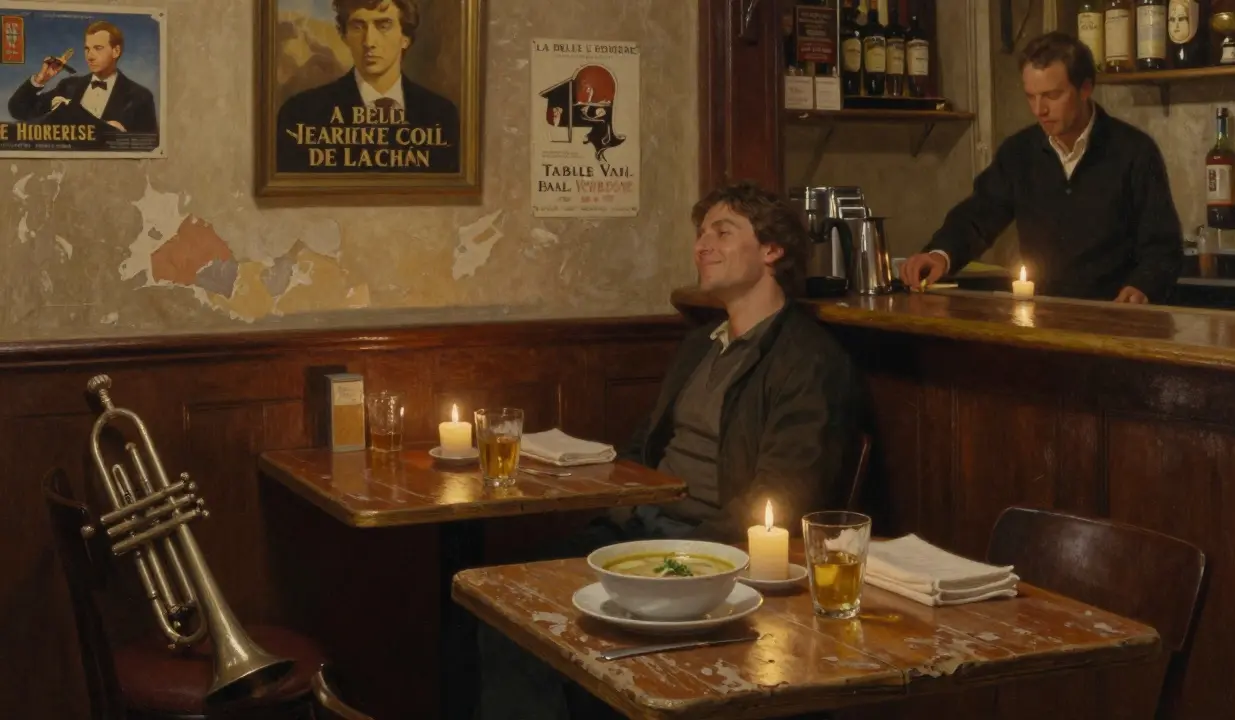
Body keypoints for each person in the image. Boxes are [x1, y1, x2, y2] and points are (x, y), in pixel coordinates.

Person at [473, 180, 863, 720]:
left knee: (559, 637)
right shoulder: (701, 344)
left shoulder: (808, 360)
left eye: (722, 233)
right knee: (504, 600)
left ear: (772, 250)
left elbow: (786, 491)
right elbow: (645, 446)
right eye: (701, 234)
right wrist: (608, 496)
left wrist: (688, 557)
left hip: (712, 549)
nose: (702, 245)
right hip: (640, 528)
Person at [898, 31, 1182, 304]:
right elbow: (978, 216)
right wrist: (940, 254)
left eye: (1052, 95)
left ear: (1085, 89)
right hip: (1041, 318)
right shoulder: (1019, 152)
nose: (1039, 110)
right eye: (1030, 96)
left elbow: (1163, 246)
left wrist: (1143, 286)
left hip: (1115, 318)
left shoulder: (1134, 151)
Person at [275, 0, 460, 173]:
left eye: (383, 26)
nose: (369, 42)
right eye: (358, 27)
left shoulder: (442, 115)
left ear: (405, 37)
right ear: (344, 36)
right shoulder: (302, 114)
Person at [7, 20, 158, 136]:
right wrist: (41, 79)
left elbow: (149, 145)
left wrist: (121, 135)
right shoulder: (68, 87)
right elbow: (18, 110)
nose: (90, 56)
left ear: (116, 51)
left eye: (98, 48)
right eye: (87, 49)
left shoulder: (140, 97)